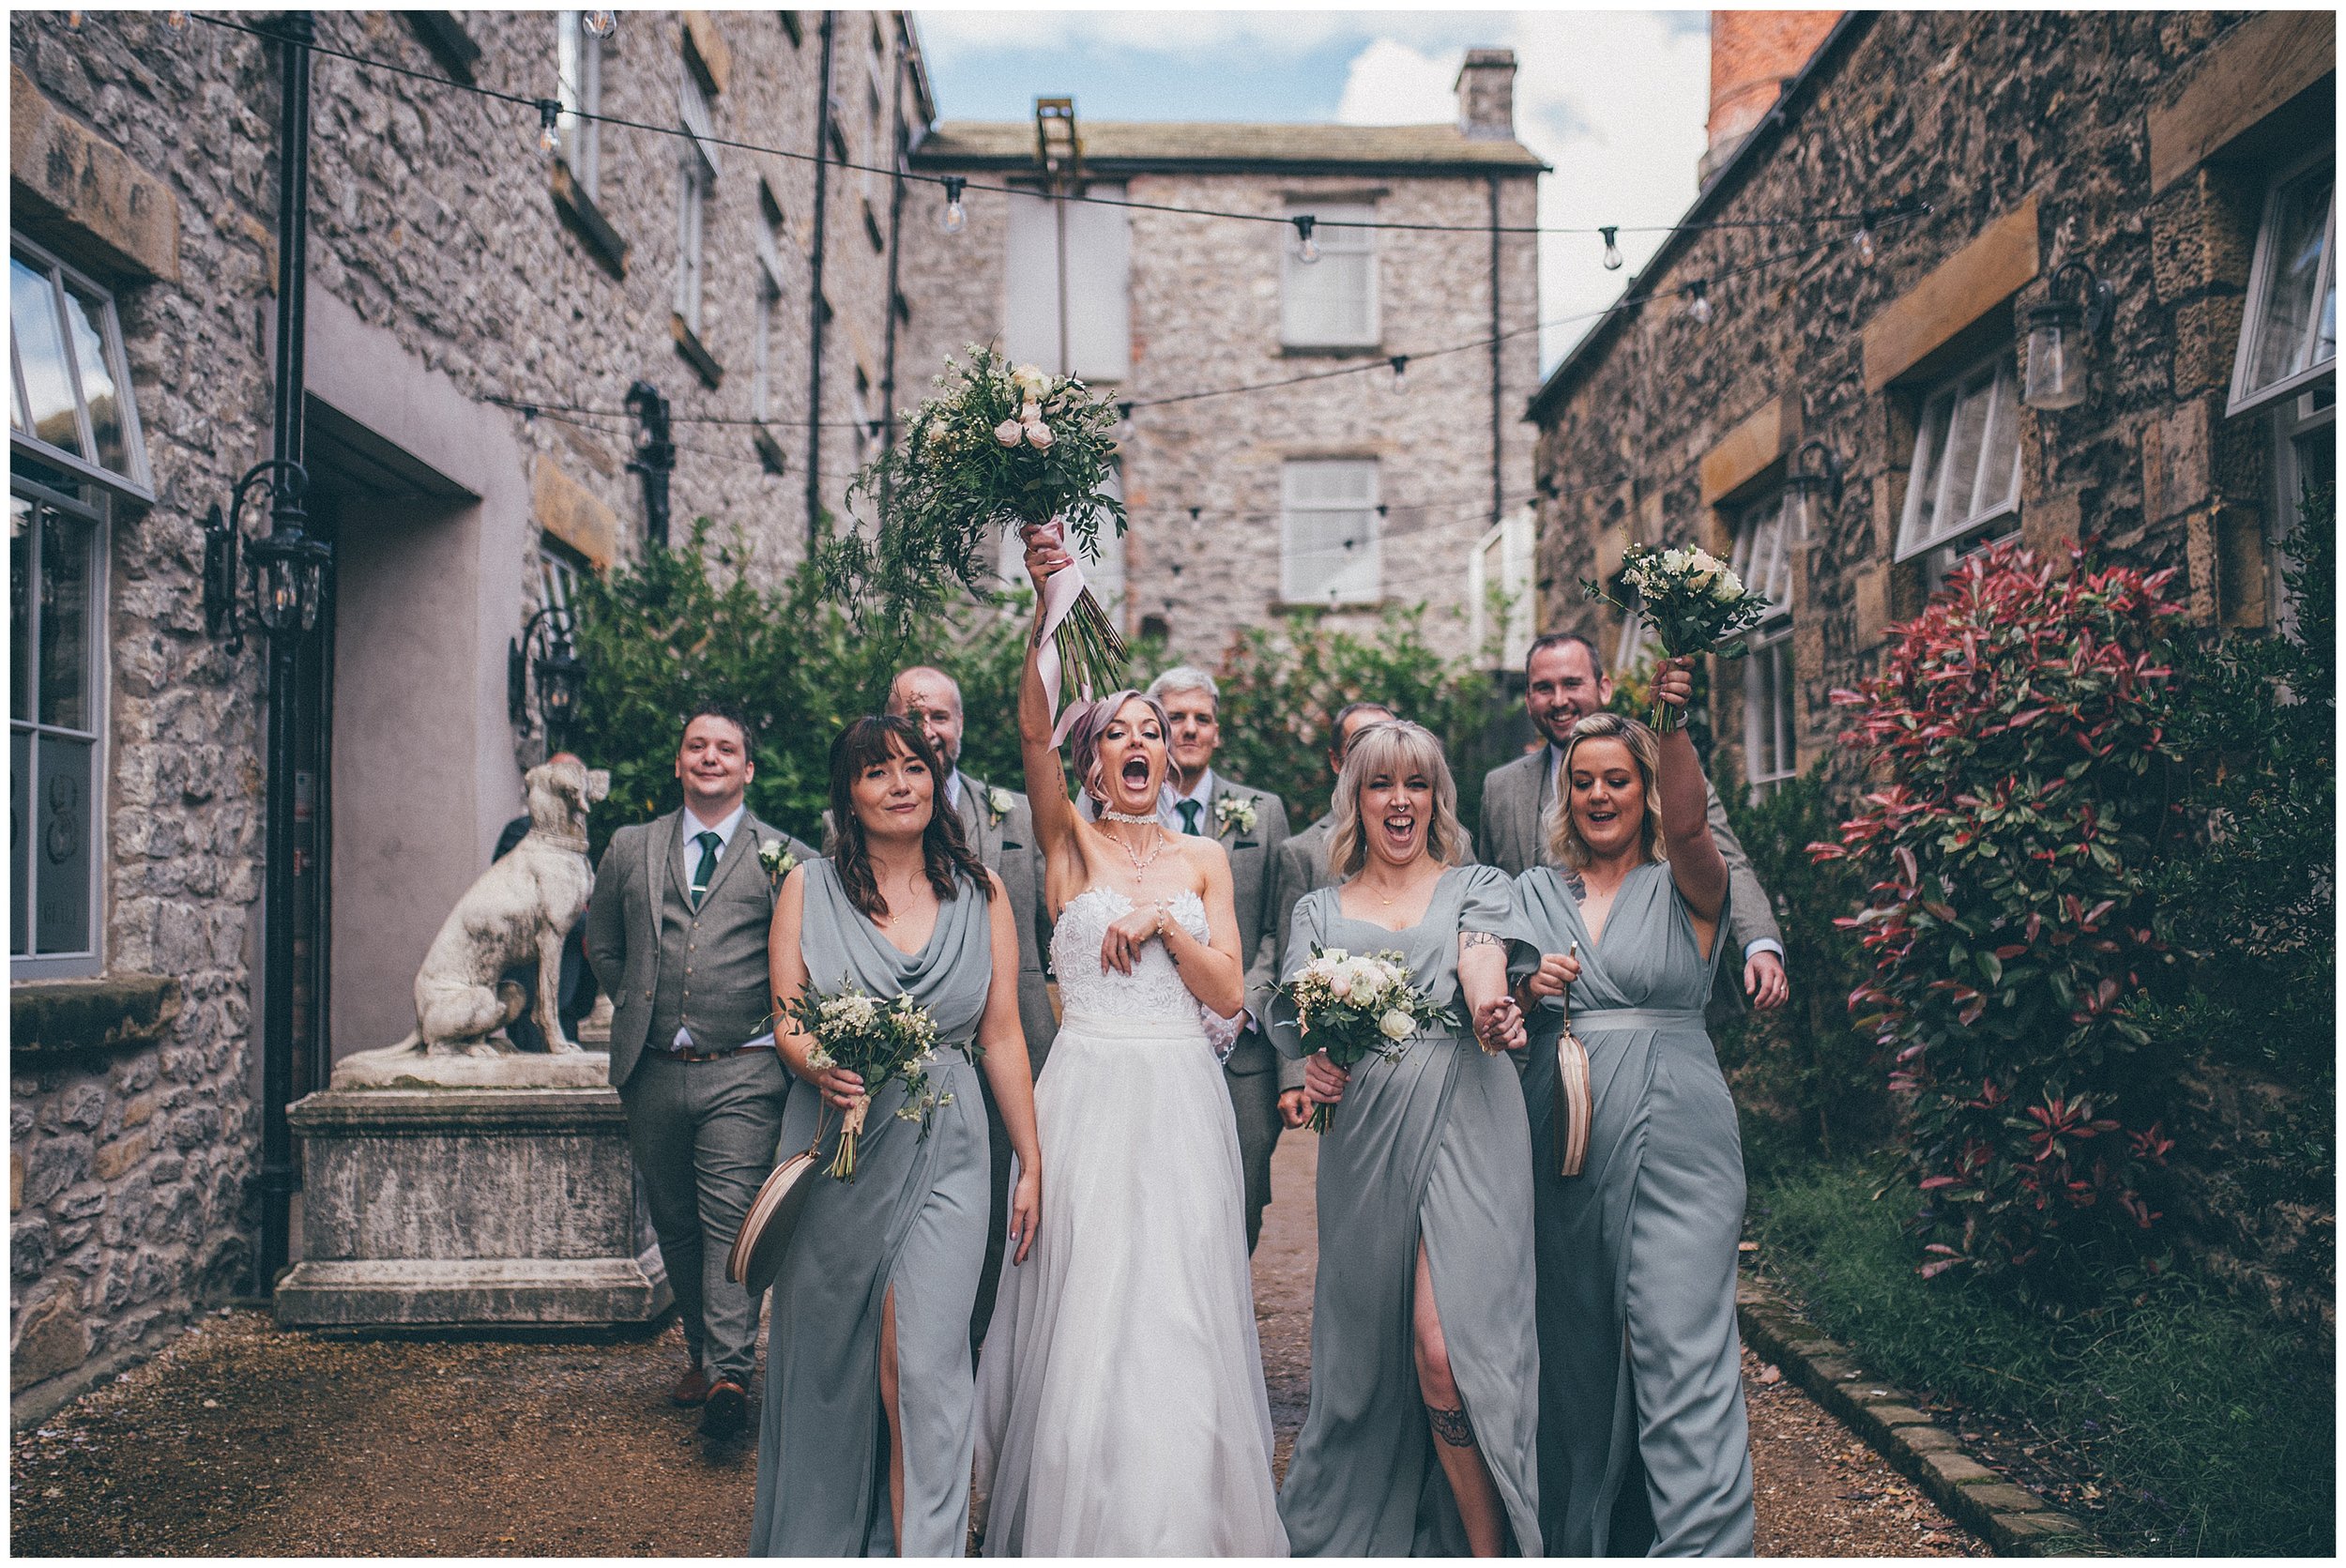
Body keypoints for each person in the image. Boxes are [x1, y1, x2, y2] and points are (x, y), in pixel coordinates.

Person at [971, 524, 1287, 1556]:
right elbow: (1027, 733)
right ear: (1092, 759)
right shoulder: (1066, 841)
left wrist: (1158, 926)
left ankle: (1182, 1522)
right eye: (1118, 731)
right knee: (1086, 1312)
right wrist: (1044, 608)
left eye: (1153, 729)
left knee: (1181, 1307)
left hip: (1182, 1097)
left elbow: (1231, 990)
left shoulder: (1204, 859)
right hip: (1090, 1093)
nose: (1141, 740)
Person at [752, 716, 1043, 1557]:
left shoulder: (982, 890)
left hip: (950, 1144)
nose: (901, 784)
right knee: (838, 1363)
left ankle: (929, 1548)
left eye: (915, 767)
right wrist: (819, 1067)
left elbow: (1001, 1036)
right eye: (878, 772)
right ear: (849, 793)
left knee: (924, 1364)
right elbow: (786, 1020)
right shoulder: (808, 886)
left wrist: (1030, 1156)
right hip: (839, 1142)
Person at [1271, 720, 1543, 1557]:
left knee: (1444, 1348)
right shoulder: (1317, 906)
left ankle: (1490, 1547)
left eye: (1417, 784)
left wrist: (1494, 1006)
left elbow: (1480, 960)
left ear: (1436, 798)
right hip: (1367, 1138)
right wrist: (1316, 1064)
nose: (1401, 801)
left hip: (1469, 1111)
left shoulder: (1478, 885)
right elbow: (1309, 1020)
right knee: (1368, 1354)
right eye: (1382, 783)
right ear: (1356, 797)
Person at [1510, 661, 1756, 1556]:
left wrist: (1673, 724)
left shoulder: (1688, 882)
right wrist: (1524, 982)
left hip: (1676, 1141)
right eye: (1584, 782)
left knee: (1677, 1343)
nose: (1600, 795)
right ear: (1564, 793)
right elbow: (1487, 994)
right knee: (1579, 1358)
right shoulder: (1534, 893)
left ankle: (1705, 1546)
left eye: (1619, 779)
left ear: (1646, 789)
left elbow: (1693, 824)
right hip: (1564, 1143)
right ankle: (1588, 1537)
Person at [582, 707, 816, 1442]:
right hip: (651, 1067)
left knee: (725, 1220)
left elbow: (804, 961)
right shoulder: (630, 846)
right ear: (680, 763)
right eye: (696, 746)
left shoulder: (787, 857)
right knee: (675, 1221)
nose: (710, 756)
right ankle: (701, 1350)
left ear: (748, 768)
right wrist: (638, 1003)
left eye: (726, 748)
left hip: (743, 1067)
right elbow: (602, 944)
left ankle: (729, 1373)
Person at [1477, 632, 1790, 1020]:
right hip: (1543, 1019)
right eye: (1544, 688)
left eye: (1572, 684)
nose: (1559, 700)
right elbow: (1493, 903)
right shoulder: (1500, 788)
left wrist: (1758, 942)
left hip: (1654, 995)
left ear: (1604, 687)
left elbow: (1722, 858)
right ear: (1527, 700)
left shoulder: (1664, 765)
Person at [882, 665, 1054, 1350]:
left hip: (1012, 1045)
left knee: (995, 1221)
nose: (929, 730)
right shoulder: (862, 813)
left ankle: (977, 1362)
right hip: (912, 1055)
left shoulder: (1015, 815)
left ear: (961, 726)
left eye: (941, 716)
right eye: (913, 714)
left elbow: (1054, 917)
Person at [1146, 664, 1290, 1253]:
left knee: (1244, 1191)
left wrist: (1242, 1005)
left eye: (1201, 718)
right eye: (1175, 718)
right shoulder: (1124, 812)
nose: (1189, 729)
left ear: (1218, 731)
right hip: (1154, 1032)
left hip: (1243, 1051)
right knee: (1158, 1188)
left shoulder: (1265, 811)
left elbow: (1282, 927)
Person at [1263, 700, 1394, 1133]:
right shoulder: (1302, 853)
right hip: (1339, 1068)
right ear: (1338, 761)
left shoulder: (1445, 845)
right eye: (1361, 744)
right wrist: (1293, 1075)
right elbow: (1292, 971)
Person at [493, 752, 598, 1052]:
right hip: (533, 989)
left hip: (571, 986)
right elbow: (539, 904)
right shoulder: (522, 833)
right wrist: (592, 925)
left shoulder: (576, 841)